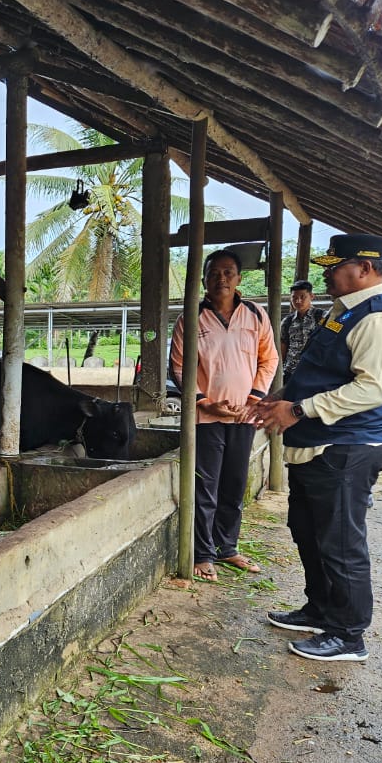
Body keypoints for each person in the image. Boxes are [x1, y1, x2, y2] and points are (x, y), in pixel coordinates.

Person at [252, 233, 382, 662]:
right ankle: (320, 608)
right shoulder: (343, 314)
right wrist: (280, 398)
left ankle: (348, 634)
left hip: (347, 446)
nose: (326, 274)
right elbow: (319, 372)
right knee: (308, 531)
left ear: (365, 268)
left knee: (341, 543)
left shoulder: (379, 320)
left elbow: (372, 390)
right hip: (321, 446)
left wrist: (299, 411)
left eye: (335, 267)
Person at [169, 249, 279, 582]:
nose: (221, 279)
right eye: (214, 273)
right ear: (203, 279)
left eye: (228, 273)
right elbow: (178, 367)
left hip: (244, 416)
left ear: (239, 279)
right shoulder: (191, 318)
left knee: (234, 485)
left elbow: (269, 360)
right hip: (207, 418)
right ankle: (203, 554)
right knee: (207, 487)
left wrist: (253, 399)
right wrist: (204, 401)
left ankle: (227, 547)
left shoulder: (256, 315)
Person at [281, 279, 326, 381]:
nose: (298, 301)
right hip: (290, 372)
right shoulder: (287, 321)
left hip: (315, 371)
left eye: (302, 297)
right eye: (294, 297)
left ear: (311, 296)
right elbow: (283, 346)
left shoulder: (323, 317)